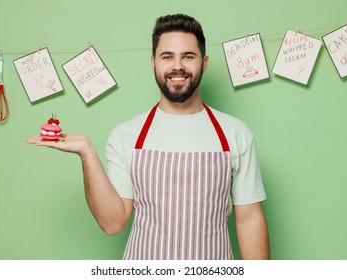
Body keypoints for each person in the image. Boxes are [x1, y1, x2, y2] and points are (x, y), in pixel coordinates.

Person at [27, 14, 270, 260]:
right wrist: (87, 152)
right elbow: (113, 223)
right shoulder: (125, 136)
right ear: (153, 63)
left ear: (204, 63)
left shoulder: (236, 134)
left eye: (188, 56)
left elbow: (249, 219)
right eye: (167, 57)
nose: (178, 66)